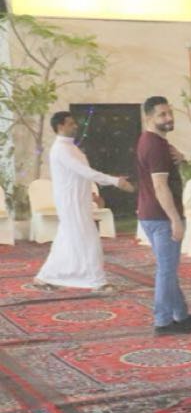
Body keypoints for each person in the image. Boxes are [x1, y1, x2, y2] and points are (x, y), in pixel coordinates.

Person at [33, 111, 134, 292]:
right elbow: (86, 172)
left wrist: (91, 194)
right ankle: (97, 281)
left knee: (66, 240)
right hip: (71, 203)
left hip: (79, 201)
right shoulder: (61, 149)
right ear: (60, 126)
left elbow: (82, 176)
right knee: (89, 240)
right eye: (71, 123)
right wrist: (115, 181)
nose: (75, 126)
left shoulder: (71, 147)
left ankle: (45, 276)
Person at [136, 96, 191, 336]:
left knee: (168, 269)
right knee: (166, 270)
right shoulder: (155, 146)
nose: (168, 118)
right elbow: (160, 186)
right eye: (162, 115)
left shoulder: (152, 141)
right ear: (148, 118)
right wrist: (174, 219)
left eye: (169, 113)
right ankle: (163, 321)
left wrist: (181, 160)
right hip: (161, 217)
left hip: (151, 214)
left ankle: (180, 315)